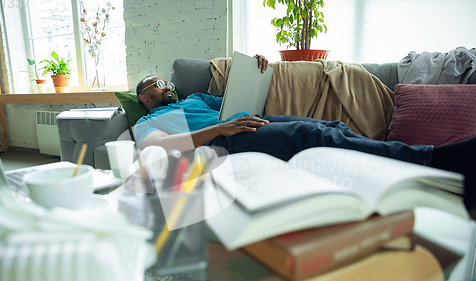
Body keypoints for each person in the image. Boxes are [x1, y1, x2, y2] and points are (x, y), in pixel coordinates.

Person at [134, 55, 476, 216]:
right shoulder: (149, 121)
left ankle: (409, 167)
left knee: (330, 127)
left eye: (165, 82)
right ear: (143, 98)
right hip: (222, 142)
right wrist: (218, 129)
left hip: (248, 121)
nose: (164, 86)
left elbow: (235, 102)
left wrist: (255, 70)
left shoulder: (195, 98)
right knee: (309, 136)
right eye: (155, 85)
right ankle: (433, 161)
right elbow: (161, 147)